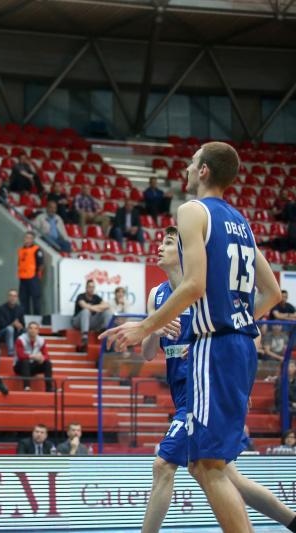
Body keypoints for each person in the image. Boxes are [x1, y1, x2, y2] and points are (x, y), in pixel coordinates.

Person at [101, 142, 282, 532]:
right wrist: (237, 320)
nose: (185, 167)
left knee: (207, 466)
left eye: (191, 161)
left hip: (213, 346)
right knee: (212, 466)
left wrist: (143, 327)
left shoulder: (192, 211)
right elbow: (272, 294)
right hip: (239, 346)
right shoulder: (242, 222)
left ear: (203, 171)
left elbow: (194, 284)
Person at [139, 227, 296, 533]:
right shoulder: (157, 295)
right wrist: (154, 330)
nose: (159, 247)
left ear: (185, 252)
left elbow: (249, 335)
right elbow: (147, 353)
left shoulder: (206, 291)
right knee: (228, 476)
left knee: (163, 465)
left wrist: (239, 387)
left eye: (168, 243)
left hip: (205, 392)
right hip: (182, 392)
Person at [72, 280, 113, 352]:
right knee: (86, 311)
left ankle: (105, 334)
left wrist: (92, 307)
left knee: (107, 312)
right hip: (78, 322)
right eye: (90, 287)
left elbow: (107, 305)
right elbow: (84, 306)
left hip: (91, 322)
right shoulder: (81, 296)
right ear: (86, 288)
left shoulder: (96, 297)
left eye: (93, 287)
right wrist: (98, 308)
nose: (91, 289)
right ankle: (84, 338)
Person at [14, 321, 54, 392]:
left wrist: (42, 358)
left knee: (47, 363)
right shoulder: (20, 339)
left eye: (35, 328)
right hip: (20, 367)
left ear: (38, 331)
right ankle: (27, 387)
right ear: (27, 330)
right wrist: (33, 357)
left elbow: (46, 355)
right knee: (25, 362)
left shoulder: (41, 340)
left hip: (32, 366)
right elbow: (20, 356)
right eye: (31, 328)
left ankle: (49, 388)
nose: (33, 330)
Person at [17, 231, 44, 315]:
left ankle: (37, 318)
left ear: (32, 240)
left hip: (33, 277)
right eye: (26, 237)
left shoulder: (36, 249)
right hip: (23, 278)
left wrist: (38, 276)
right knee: (23, 299)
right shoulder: (20, 250)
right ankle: (25, 317)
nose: (27, 240)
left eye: (30, 238)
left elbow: (41, 264)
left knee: (36, 299)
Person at [0, 290, 25, 363]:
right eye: (11, 295)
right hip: (3, 333)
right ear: (8, 297)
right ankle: (11, 353)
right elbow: (1, 325)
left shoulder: (20, 309)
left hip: (16, 332)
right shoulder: (1, 308)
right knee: (10, 329)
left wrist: (20, 325)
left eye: (15, 296)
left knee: (25, 331)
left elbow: (23, 324)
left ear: (17, 298)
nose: (13, 298)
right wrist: (12, 324)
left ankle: (25, 353)